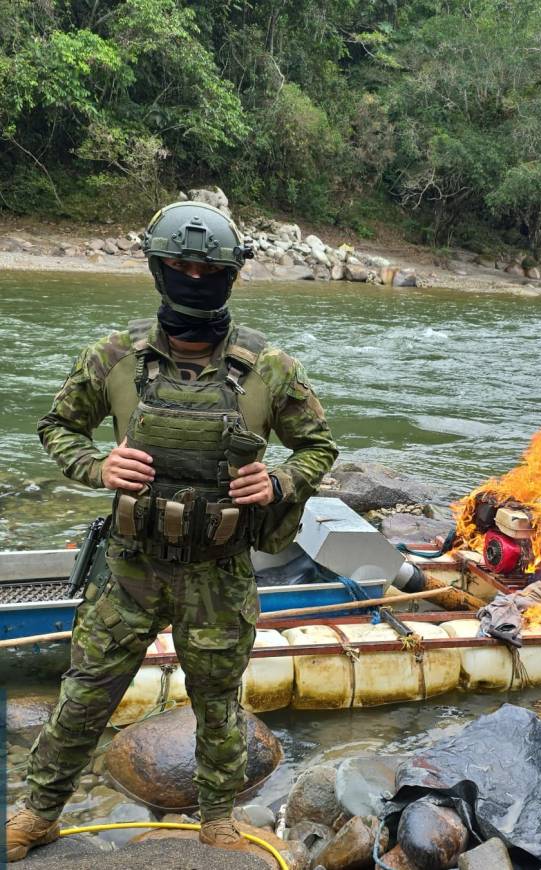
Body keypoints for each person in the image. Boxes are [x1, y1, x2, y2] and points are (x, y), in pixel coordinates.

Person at [6, 201, 338, 861]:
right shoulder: (114, 357)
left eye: (206, 268)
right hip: (132, 565)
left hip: (218, 569)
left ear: (231, 276)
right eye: (179, 266)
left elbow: (318, 447)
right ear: (158, 268)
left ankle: (216, 822)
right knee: (85, 695)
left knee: (218, 705)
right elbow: (56, 426)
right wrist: (97, 465)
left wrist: (278, 482)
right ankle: (39, 813)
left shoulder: (269, 368)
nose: (192, 278)